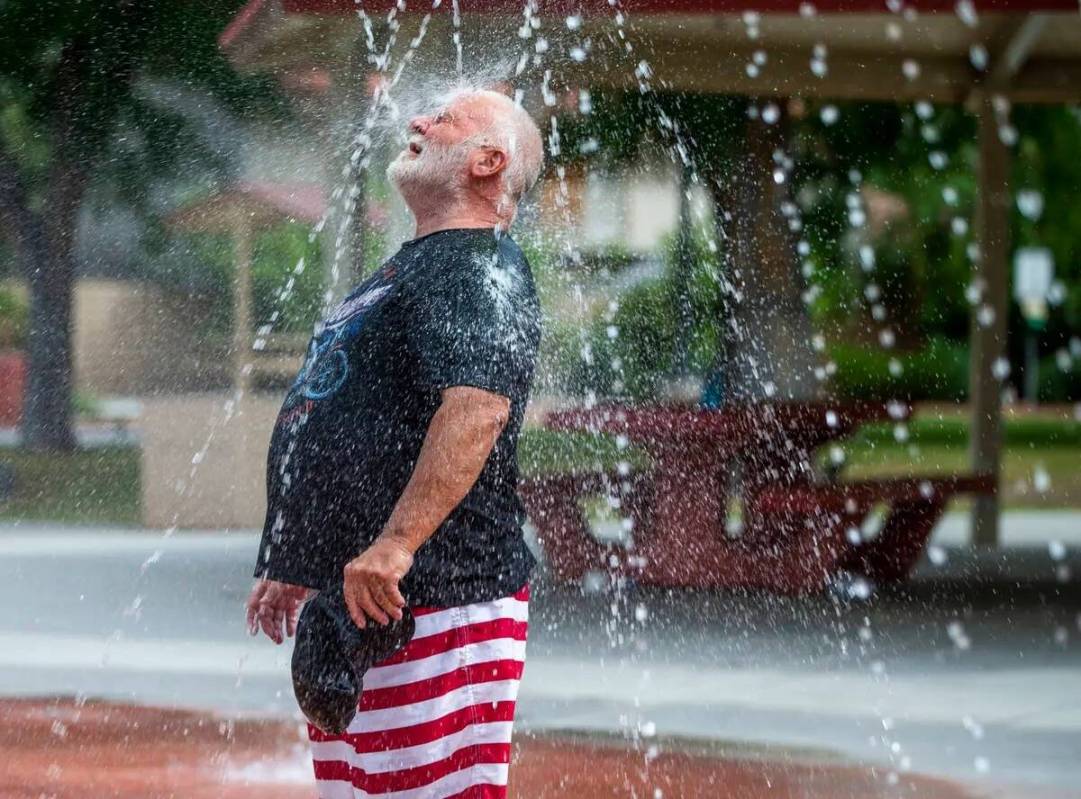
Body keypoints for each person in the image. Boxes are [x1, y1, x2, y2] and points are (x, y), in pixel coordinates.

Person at [244, 87, 544, 798]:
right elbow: (350, 413)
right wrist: (303, 554)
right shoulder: (415, 267)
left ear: (487, 160)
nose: (416, 120)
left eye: (443, 118)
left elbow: (476, 410)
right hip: (374, 602)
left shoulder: (480, 265)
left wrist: (395, 545)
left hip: (437, 595)